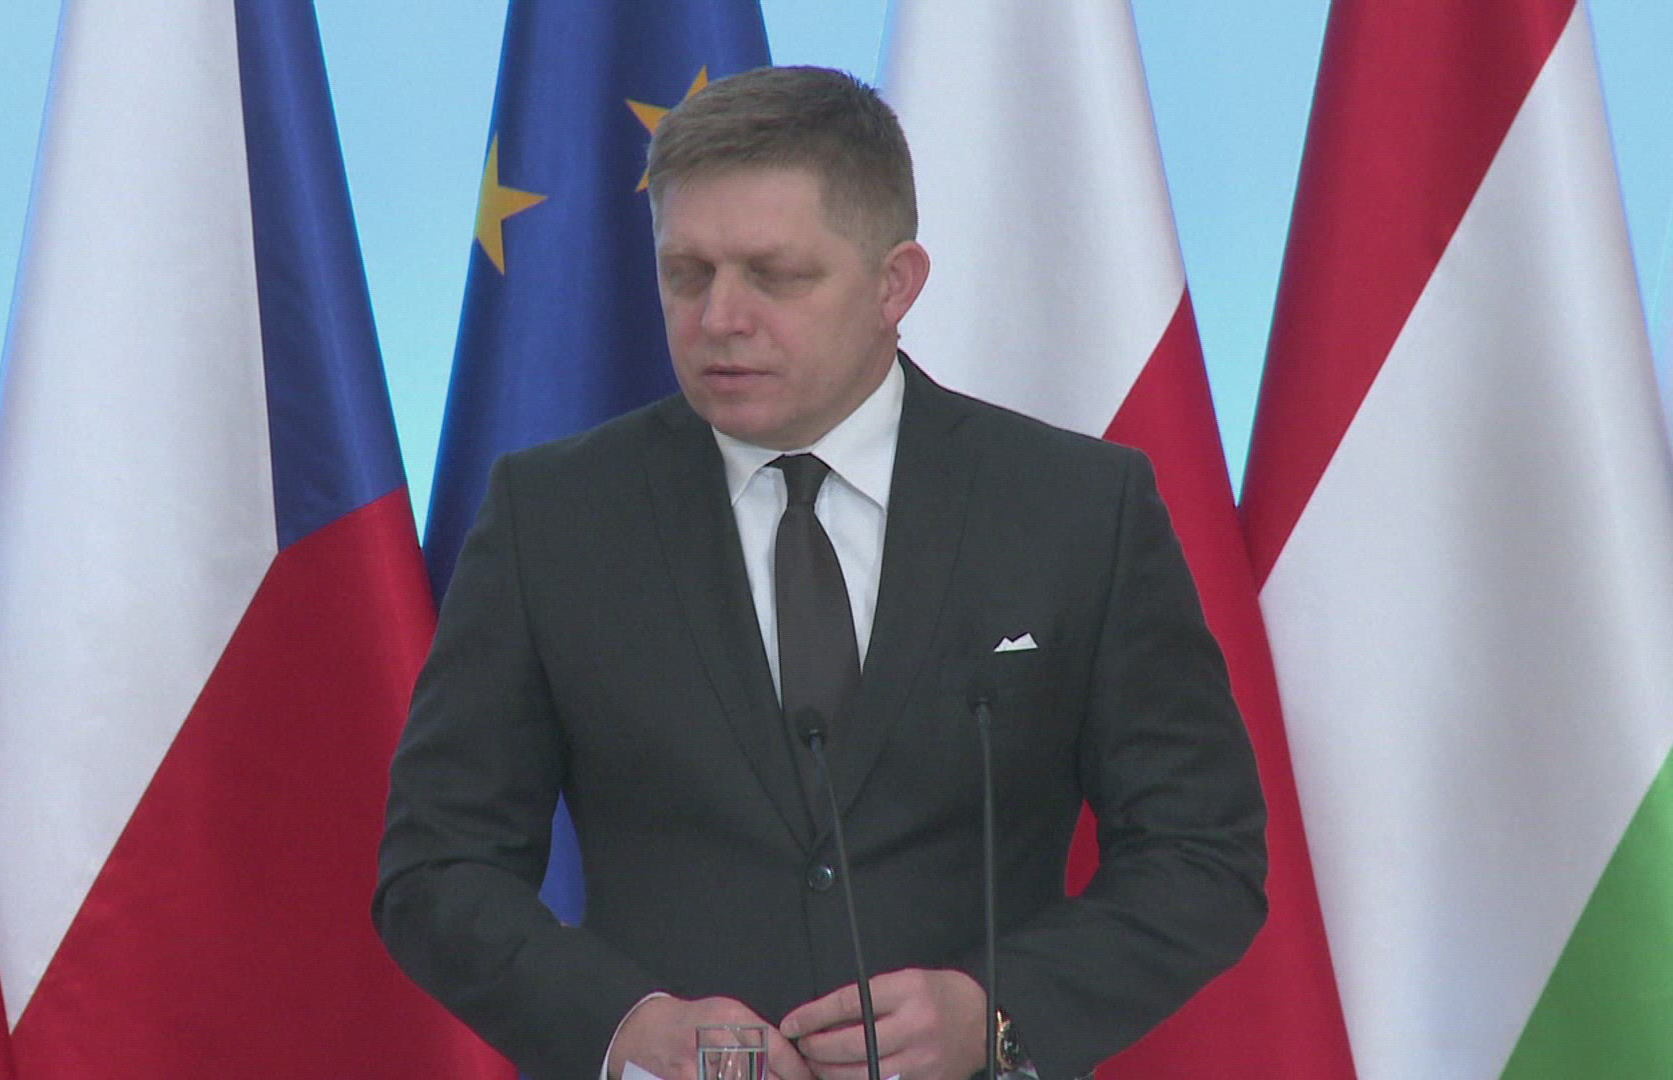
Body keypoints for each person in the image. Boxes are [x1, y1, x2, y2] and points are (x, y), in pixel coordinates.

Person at [375, 66, 1267, 1080]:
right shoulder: (554, 517)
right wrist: (625, 1029)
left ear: (895, 284)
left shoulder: (1074, 508)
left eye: (776, 275)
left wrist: (993, 1013)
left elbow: (1202, 854)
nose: (720, 316)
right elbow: (437, 869)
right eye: (687, 273)